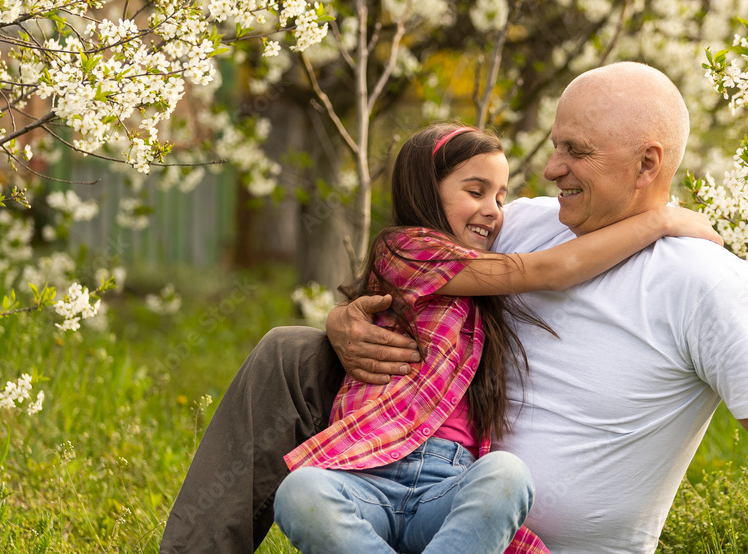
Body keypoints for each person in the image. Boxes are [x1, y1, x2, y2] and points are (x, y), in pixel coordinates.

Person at [159, 62, 748, 553]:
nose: (550, 168)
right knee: (287, 351)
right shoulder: (524, 227)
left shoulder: (708, 282)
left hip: (503, 514)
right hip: (395, 482)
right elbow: (421, 271)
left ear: (648, 161)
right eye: (553, 146)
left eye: (576, 151)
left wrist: (663, 222)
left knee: (504, 478)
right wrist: (343, 320)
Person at [273, 123, 720, 554]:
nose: (493, 210)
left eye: (500, 197)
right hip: (366, 472)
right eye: (475, 192)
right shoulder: (404, 249)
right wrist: (657, 221)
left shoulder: (480, 280)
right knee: (301, 492)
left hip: (446, 487)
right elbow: (545, 270)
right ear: (425, 191)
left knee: (506, 475)